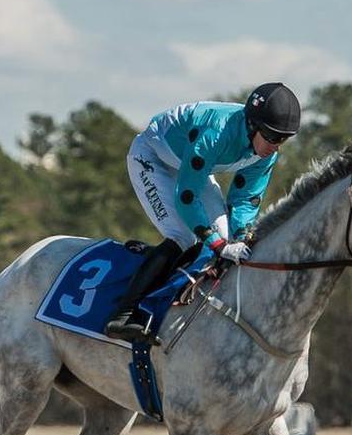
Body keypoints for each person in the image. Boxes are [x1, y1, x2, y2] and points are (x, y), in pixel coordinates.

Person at [105, 83, 301, 342]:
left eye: (283, 139)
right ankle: (123, 314)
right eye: (273, 137)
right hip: (152, 158)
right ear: (253, 125)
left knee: (228, 239)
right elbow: (186, 198)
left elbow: (244, 200)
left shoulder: (266, 153)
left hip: (193, 167)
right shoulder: (217, 134)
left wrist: (240, 237)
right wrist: (218, 244)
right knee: (184, 236)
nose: (276, 146)